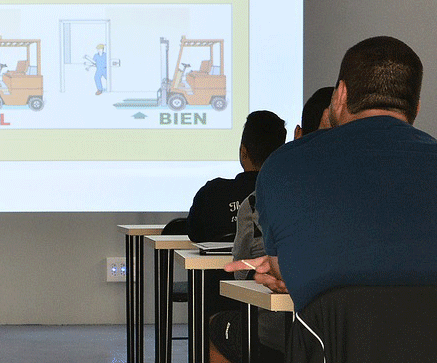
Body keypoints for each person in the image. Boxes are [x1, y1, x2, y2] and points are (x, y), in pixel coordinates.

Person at [226, 36, 437, 314]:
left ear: (340, 96)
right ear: (416, 108)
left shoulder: (283, 167)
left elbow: (284, 269)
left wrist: (292, 273)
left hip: (331, 339)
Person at [209, 87, 333, 363]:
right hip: (356, 334)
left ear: (298, 135)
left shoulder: (262, 199)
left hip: (283, 333)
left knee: (215, 327)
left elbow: (244, 273)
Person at [185, 110, 287, 243]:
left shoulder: (211, 193)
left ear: (243, 152)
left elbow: (194, 234)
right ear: (280, 155)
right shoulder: (289, 196)